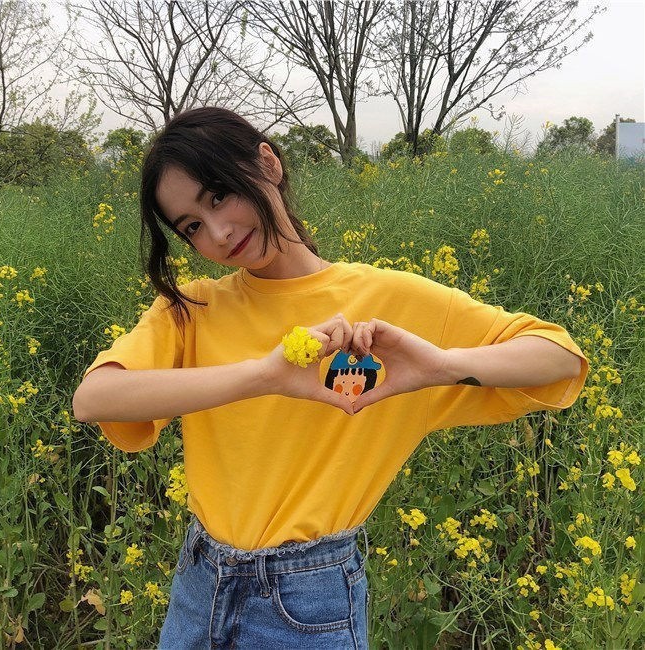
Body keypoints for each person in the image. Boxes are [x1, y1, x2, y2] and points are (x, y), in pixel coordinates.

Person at [72, 107, 588, 649]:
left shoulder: (389, 300)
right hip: (199, 586)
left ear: (267, 163)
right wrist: (264, 375)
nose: (219, 234)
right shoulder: (193, 309)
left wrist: (441, 366)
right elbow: (94, 399)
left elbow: (559, 357)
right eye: (192, 227)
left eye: (219, 196)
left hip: (308, 601)